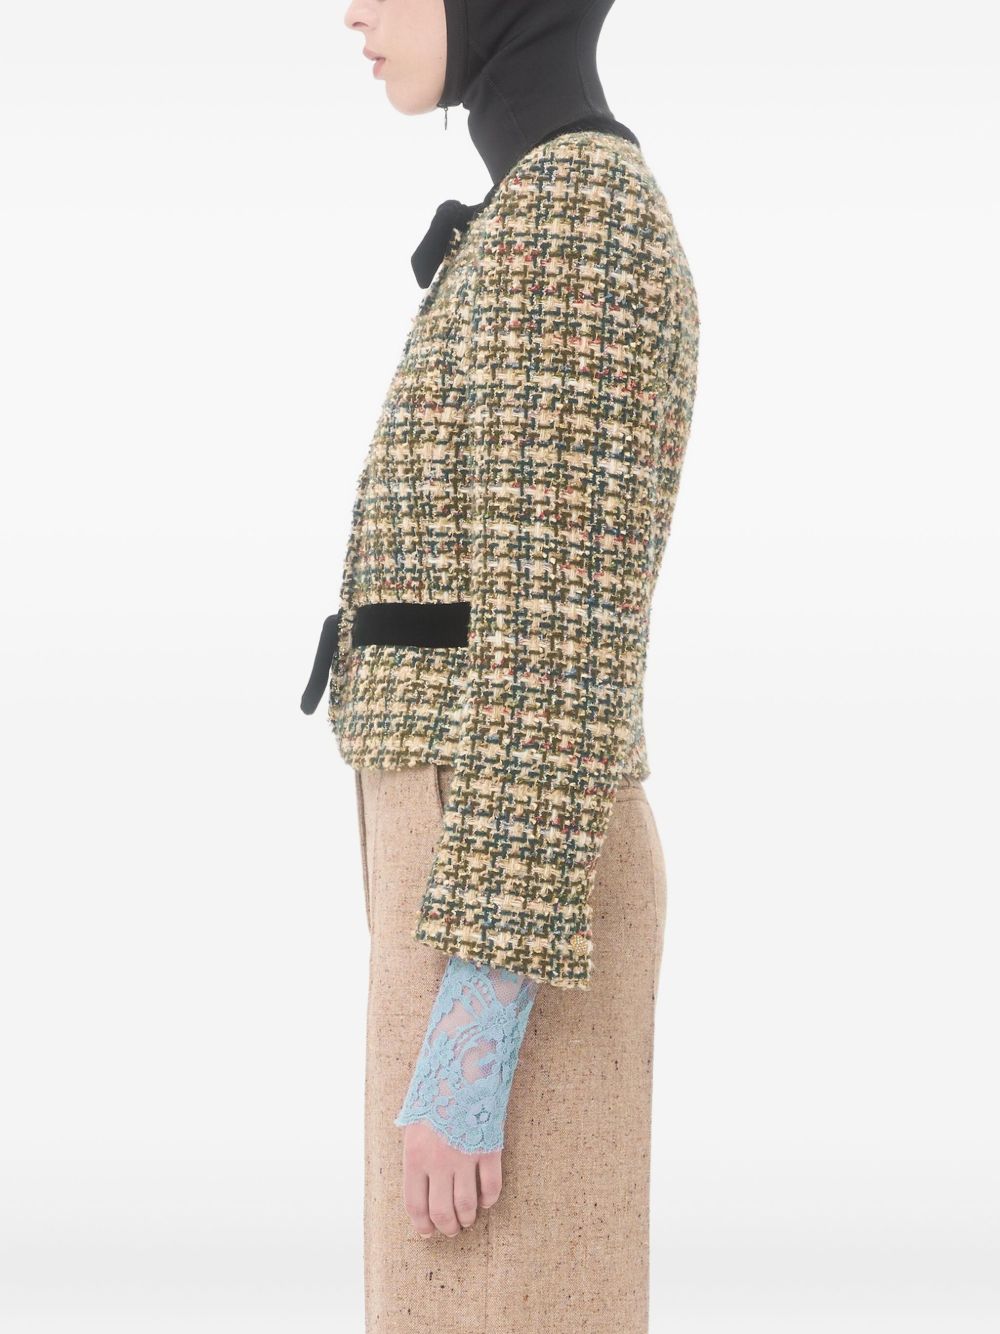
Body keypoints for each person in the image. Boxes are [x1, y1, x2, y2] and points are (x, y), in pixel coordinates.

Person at [302, 0, 699, 1326]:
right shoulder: (542, 206)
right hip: (476, 857)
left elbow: (560, 641)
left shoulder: (578, 217)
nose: (356, 9)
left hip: (503, 882)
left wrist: (478, 1023)